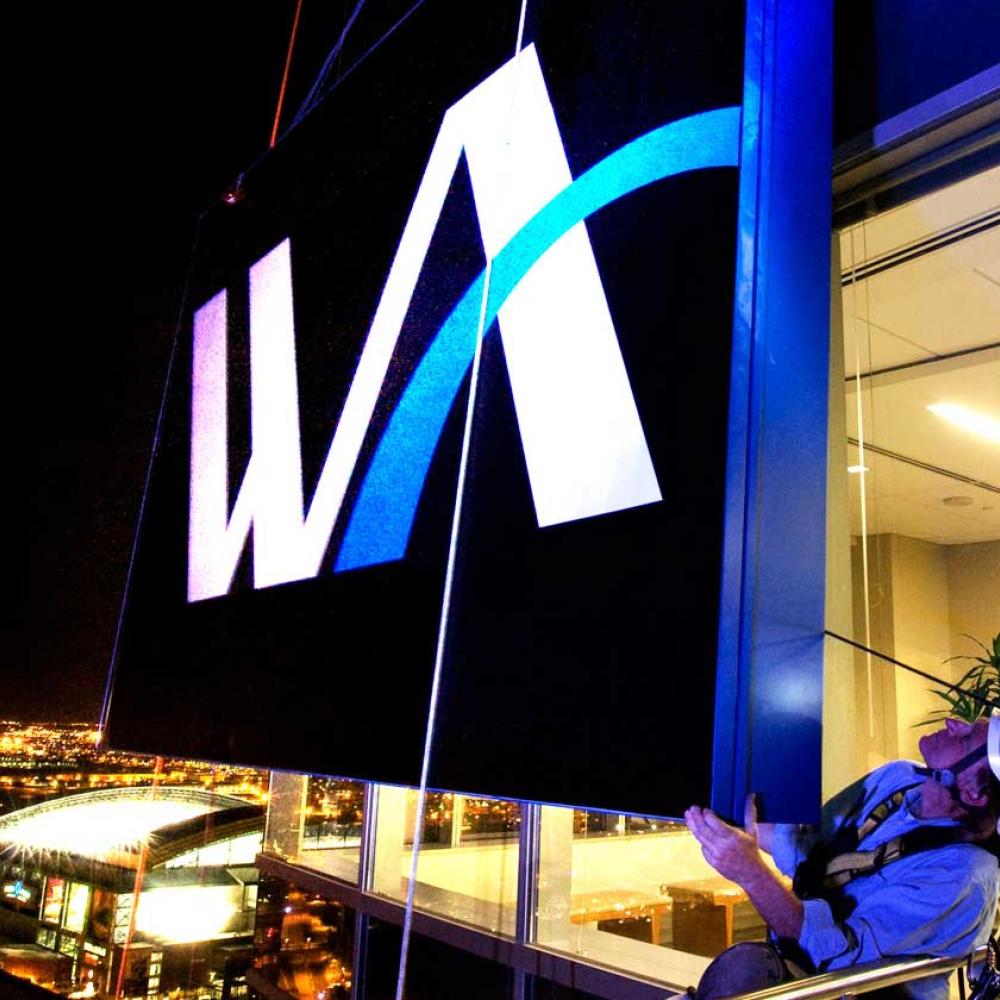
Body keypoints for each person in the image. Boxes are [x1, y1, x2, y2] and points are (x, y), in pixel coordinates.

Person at [685, 717, 1000, 1000]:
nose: (953, 722)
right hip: (796, 972)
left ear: (974, 793)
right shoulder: (899, 778)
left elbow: (835, 958)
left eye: (967, 737)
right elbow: (810, 852)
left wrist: (752, 874)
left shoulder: (965, 876)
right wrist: (731, 827)